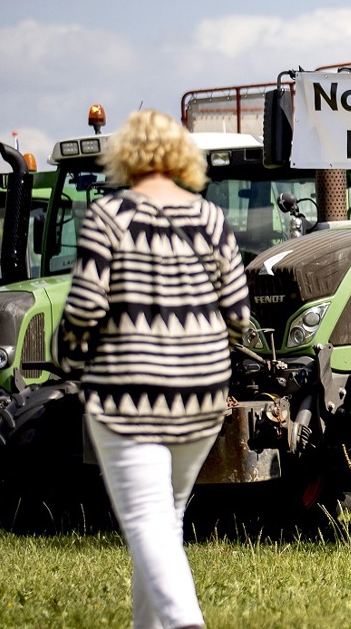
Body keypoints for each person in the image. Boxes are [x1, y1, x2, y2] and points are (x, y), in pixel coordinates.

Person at [56, 109, 249, 629]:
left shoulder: (108, 216)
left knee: (146, 521)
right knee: (164, 521)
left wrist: (69, 360)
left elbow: (85, 309)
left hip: (128, 391)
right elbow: (239, 315)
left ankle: (186, 622)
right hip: (202, 394)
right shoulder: (210, 218)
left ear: (125, 154)